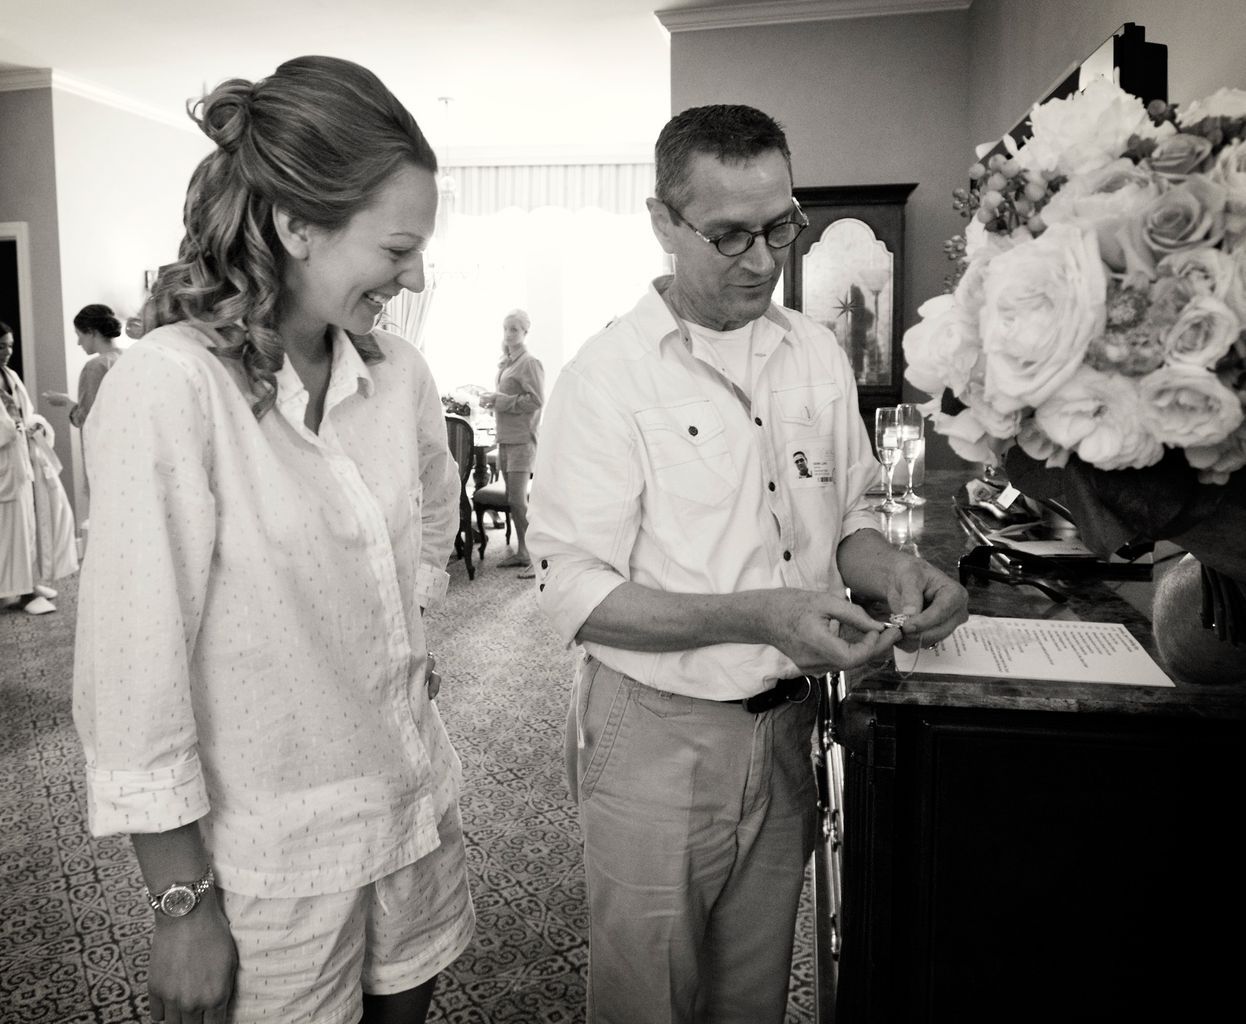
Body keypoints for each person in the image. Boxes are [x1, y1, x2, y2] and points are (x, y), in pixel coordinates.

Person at [526, 104, 968, 1024]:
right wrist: (759, 615)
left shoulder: (815, 351)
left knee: (751, 999)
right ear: (662, 221)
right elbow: (570, 592)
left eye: (781, 226)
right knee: (650, 1001)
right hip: (655, 736)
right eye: (730, 235)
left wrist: (891, 569)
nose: (765, 260)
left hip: (787, 734)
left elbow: (843, 513)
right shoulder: (605, 378)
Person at [72, 56, 473, 1024]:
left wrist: (400, 624)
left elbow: (432, 507)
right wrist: (182, 907)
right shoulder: (171, 389)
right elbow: (134, 666)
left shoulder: (398, 372)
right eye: (396, 248)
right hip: (270, 858)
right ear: (297, 227)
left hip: (411, 804)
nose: (416, 276)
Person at [1, 321, 78, 614]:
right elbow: (7, 424)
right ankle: (24, 591)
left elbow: (27, 410)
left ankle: (29, 583)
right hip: (5, 468)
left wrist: (34, 424)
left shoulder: (10, 375)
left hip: (21, 463)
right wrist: (13, 426)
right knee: (13, 533)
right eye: (1, 347)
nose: (7, 352)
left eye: (9, 345)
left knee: (28, 526)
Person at [478, 309, 544, 577]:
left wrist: (501, 400)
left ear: (525, 332)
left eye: (514, 329)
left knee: (518, 501)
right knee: (512, 500)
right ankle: (522, 552)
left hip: (521, 441)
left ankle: (538, 560)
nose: (509, 334)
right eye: (506, 329)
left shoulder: (530, 363)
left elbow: (536, 401)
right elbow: (508, 397)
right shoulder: (506, 363)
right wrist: (492, 400)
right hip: (505, 439)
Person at [43, 303, 125, 432]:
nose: (78, 342)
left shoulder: (94, 367)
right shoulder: (127, 357)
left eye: (79, 335)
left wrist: (66, 403)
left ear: (91, 332)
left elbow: (88, 419)